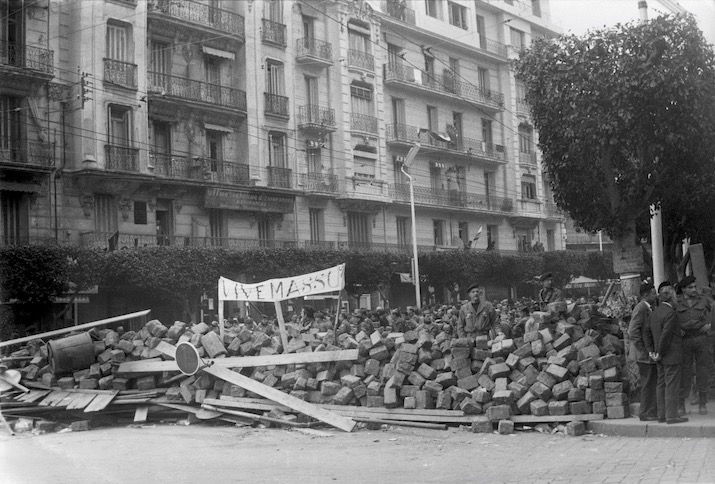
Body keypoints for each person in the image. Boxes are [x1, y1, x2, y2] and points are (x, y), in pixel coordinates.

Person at [643, 282, 688, 424]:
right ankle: (672, 415)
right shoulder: (670, 314)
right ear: (672, 297)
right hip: (671, 355)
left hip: (658, 356)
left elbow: (647, 332)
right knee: (672, 385)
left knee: (661, 384)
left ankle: (662, 414)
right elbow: (666, 335)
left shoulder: (655, 312)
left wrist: (652, 351)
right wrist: (660, 352)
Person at [675, 275, 713, 415]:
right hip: (685, 340)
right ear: (683, 289)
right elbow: (671, 319)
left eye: (694, 287)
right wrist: (677, 330)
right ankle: (681, 404)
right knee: (684, 371)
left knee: (703, 370)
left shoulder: (704, 300)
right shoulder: (677, 302)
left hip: (701, 339)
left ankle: (702, 403)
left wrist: (710, 325)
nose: (693, 290)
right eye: (690, 287)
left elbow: (713, 312)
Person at [628, 282, 658, 421]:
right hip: (643, 355)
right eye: (653, 293)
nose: (655, 295)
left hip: (646, 353)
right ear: (645, 295)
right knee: (647, 383)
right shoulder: (640, 309)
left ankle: (650, 410)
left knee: (650, 381)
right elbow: (633, 331)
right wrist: (643, 349)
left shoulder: (649, 308)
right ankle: (645, 413)